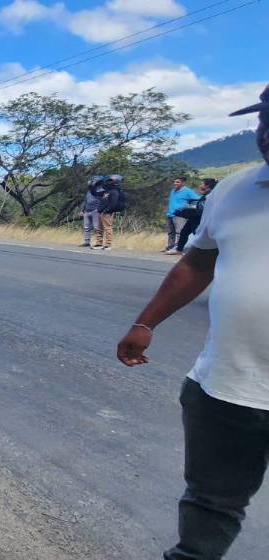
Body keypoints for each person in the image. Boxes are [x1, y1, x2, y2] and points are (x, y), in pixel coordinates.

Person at [116, 84, 269, 560]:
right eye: (265, 120)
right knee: (209, 506)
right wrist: (145, 323)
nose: (267, 132)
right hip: (226, 388)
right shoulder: (235, 189)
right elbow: (198, 263)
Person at [173, 178, 216, 253]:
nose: (200, 186)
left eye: (202, 184)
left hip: (200, 219)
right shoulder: (205, 195)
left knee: (197, 234)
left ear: (207, 186)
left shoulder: (211, 196)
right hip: (193, 217)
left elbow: (205, 209)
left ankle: (202, 252)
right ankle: (179, 249)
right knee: (184, 232)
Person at [164, 176, 200, 255]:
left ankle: (179, 248)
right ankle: (170, 247)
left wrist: (188, 207)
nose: (175, 183)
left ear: (183, 183)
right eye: (174, 182)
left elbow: (198, 199)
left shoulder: (188, 191)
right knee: (171, 232)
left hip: (180, 215)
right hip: (170, 214)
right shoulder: (173, 191)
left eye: (177, 182)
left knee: (180, 232)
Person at [94, 175, 124, 250]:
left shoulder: (114, 192)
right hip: (101, 212)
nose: (107, 182)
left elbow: (113, 203)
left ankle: (108, 244)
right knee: (99, 228)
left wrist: (107, 210)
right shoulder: (107, 191)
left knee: (108, 228)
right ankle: (99, 244)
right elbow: (96, 195)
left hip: (107, 213)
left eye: (109, 181)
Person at [80, 176, 105, 247]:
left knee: (97, 227)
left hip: (95, 211)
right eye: (93, 180)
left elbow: (103, 201)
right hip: (87, 211)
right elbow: (85, 201)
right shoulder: (89, 190)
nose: (93, 182)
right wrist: (82, 210)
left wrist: (99, 209)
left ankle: (99, 243)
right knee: (86, 227)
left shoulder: (102, 190)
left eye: (95, 180)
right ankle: (87, 242)